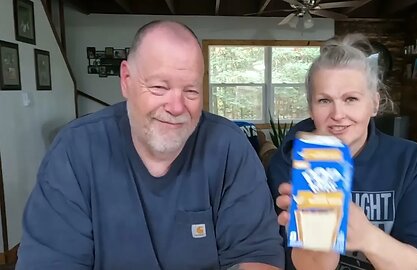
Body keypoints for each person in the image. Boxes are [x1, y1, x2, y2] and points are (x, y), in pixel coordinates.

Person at [17, 20, 284, 270]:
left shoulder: (230, 148)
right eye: (159, 87)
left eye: (190, 91)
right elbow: (50, 261)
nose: (177, 107)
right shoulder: (75, 150)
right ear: (126, 80)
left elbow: (257, 255)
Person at [267, 34, 417, 270]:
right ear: (311, 107)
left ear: (374, 103)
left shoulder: (413, 162)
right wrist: (319, 244)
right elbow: (290, 261)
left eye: (351, 99)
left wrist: (367, 237)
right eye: (324, 100)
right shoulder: (289, 164)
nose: (338, 114)